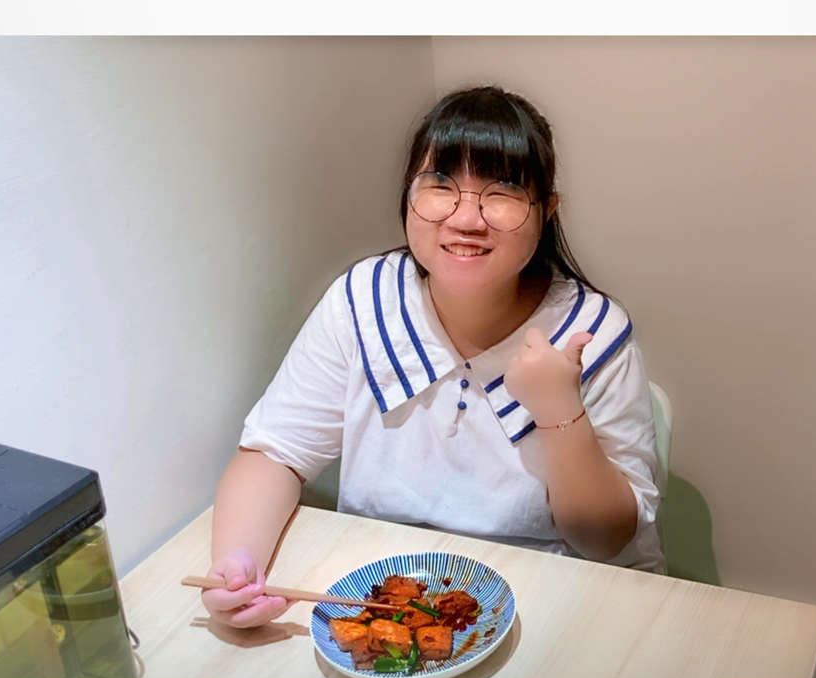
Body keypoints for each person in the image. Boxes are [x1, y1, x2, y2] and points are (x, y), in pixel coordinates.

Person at [201, 86, 664, 628]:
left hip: (554, 603)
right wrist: (237, 564)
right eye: (441, 185)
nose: (466, 219)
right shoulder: (364, 299)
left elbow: (605, 539)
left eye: (503, 191)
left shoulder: (591, 331)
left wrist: (560, 411)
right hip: (387, 603)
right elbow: (277, 453)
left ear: (547, 211)